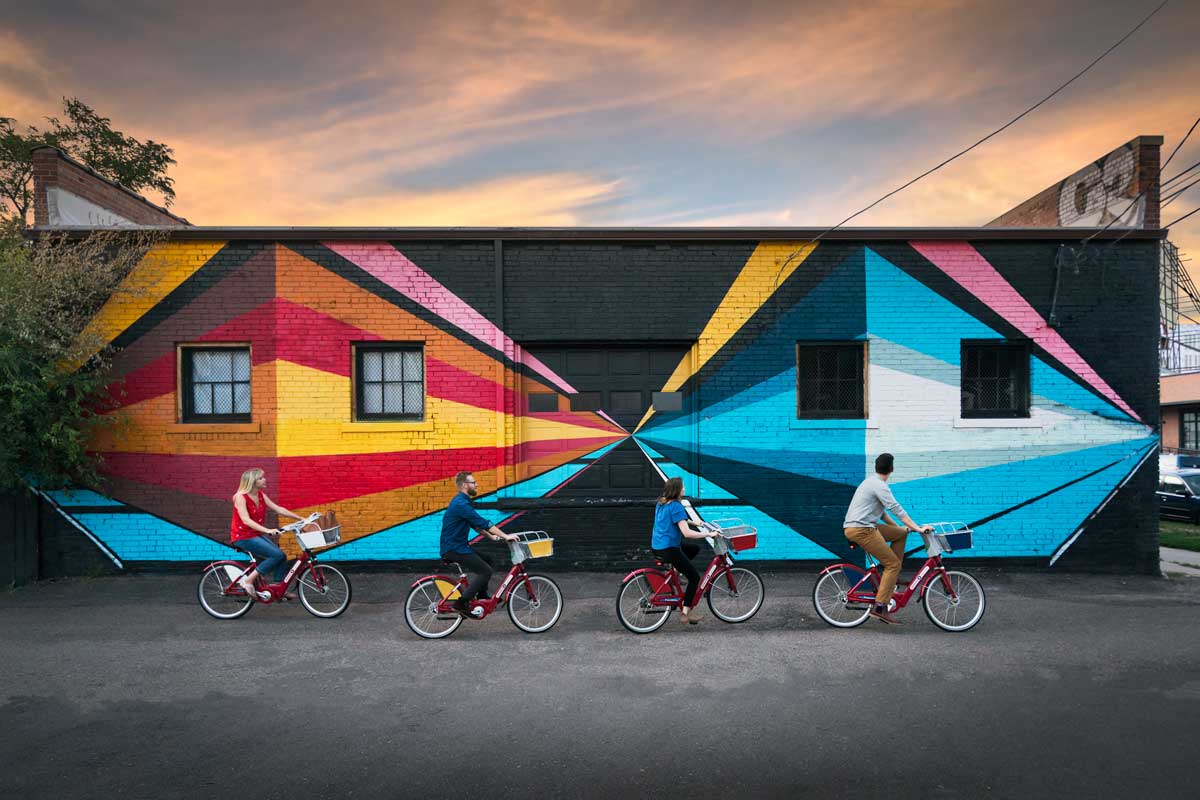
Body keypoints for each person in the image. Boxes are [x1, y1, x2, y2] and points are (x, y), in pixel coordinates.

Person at [843, 453, 932, 625]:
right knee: (892, 563)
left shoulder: (870, 482)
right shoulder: (880, 486)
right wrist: (918, 528)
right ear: (892, 469)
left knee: (900, 534)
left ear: (876, 467)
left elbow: (882, 513)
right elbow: (897, 509)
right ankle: (880, 607)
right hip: (862, 530)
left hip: (861, 527)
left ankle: (891, 577)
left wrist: (899, 529)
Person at [440, 471, 518, 618]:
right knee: (485, 571)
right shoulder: (461, 504)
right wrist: (506, 536)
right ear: (465, 485)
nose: (476, 485)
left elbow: (475, 525)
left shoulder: (463, 502)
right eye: (473, 482)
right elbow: (483, 522)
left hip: (458, 546)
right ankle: (461, 603)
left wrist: (492, 537)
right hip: (454, 549)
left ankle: (482, 596)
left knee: (487, 560)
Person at [230, 467, 307, 601]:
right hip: (243, 537)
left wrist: (300, 518)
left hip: (255, 534)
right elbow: (246, 520)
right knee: (276, 555)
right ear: (253, 481)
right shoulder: (240, 497)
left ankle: (279, 588)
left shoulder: (260, 495)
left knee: (282, 556)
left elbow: (278, 509)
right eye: (261, 478)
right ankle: (247, 581)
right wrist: (267, 530)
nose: (264, 480)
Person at [651, 476, 712, 626]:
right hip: (669, 549)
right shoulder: (677, 506)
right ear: (677, 490)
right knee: (694, 578)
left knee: (693, 549)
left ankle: (675, 573)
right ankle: (686, 612)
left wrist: (694, 522)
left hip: (657, 547)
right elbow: (687, 533)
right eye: (683, 487)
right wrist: (709, 534)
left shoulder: (662, 503)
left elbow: (678, 519)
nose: (684, 489)